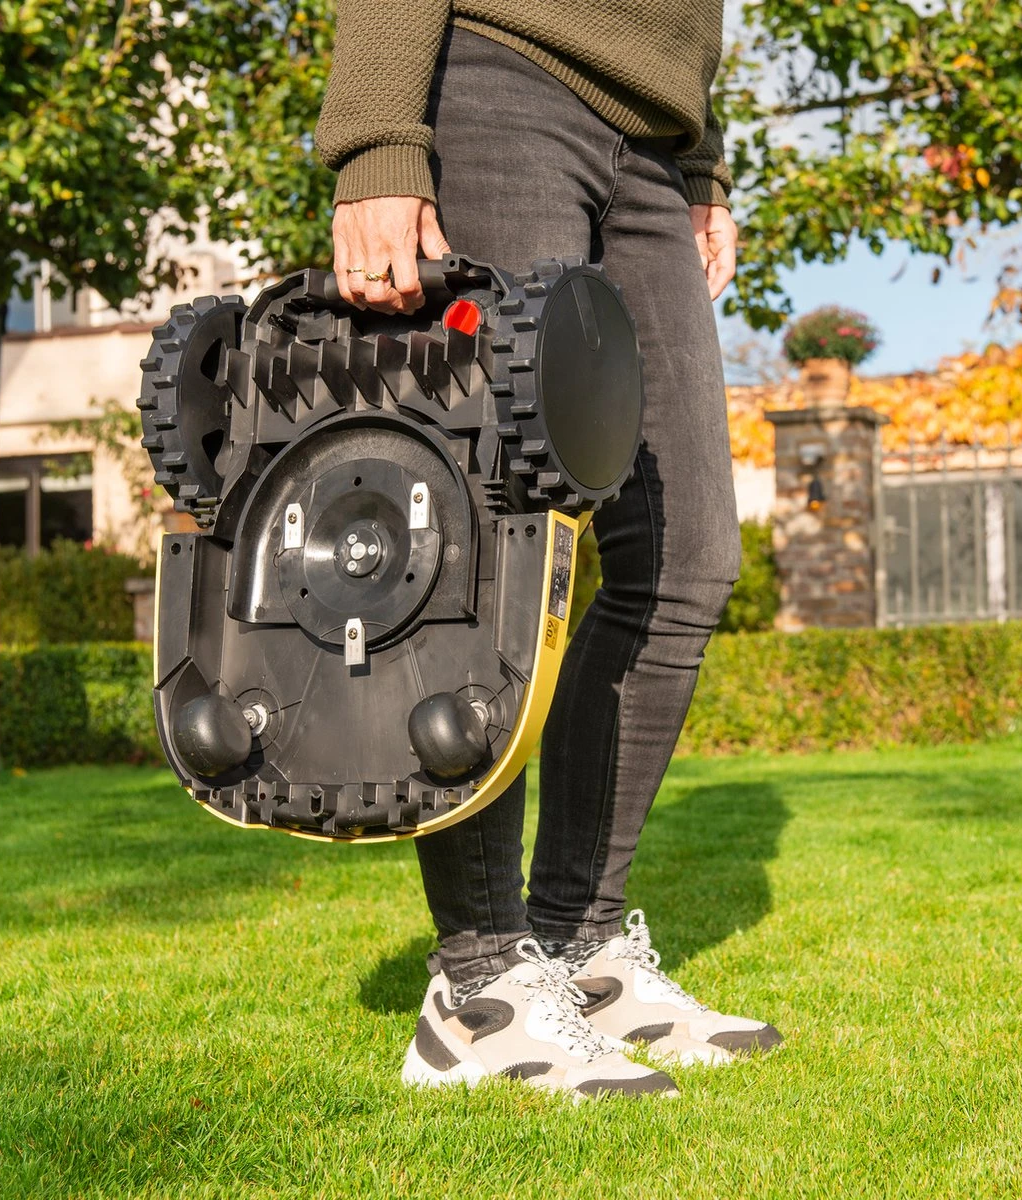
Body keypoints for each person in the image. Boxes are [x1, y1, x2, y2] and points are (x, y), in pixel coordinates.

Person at [316, 2, 781, 1099]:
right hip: (499, 81)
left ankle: (577, 947)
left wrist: (703, 162)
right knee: (489, 551)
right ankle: (478, 986)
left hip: (653, 139)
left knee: (686, 557)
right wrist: (378, 143)